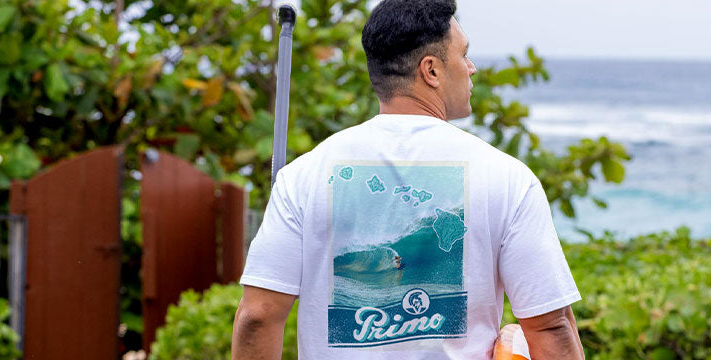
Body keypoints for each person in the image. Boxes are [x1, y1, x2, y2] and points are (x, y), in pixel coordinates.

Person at [230, 0, 585, 358]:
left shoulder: (304, 176)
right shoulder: (507, 178)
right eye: (464, 55)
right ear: (430, 70)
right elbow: (550, 326)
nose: (472, 68)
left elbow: (258, 316)